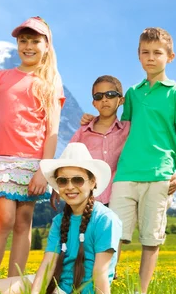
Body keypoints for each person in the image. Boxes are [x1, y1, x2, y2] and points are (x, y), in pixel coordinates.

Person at [80, 28, 176, 294]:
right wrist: (91, 120)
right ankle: (101, 288)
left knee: (151, 238)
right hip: (126, 173)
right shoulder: (131, 93)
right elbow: (119, 126)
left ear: (170, 57)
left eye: (157, 53)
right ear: (138, 56)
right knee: (112, 233)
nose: (150, 58)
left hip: (159, 172)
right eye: (145, 52)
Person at [0, 143, 121, 294]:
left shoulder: (105, 219)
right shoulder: (59, 221)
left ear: (92, 181)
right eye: (63, 181)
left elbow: (100, 272)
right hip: (57, 284)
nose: (70, 186)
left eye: (77, 179)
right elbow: (48, 265)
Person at [0, 16, 65, 284]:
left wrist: (45, 169)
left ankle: (10, 285)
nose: (28, 46)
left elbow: (52, 131)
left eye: (35, 41)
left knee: (23, 221)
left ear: (47, 45)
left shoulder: (50, 83)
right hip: (0, 159)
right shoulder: (1, 77)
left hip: (32, 161)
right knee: (4, 218)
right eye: (23, 41)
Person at [51, 75, 130, 210]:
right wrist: (55, 188)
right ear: (94, 103)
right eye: (98, 96)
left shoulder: (128, 129)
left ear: (121, 100)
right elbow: (66, 159)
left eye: (110, 95)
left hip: (118, 198)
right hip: (88, 199)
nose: (104, 99)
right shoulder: (83, 132)